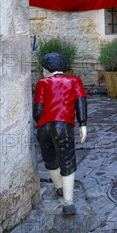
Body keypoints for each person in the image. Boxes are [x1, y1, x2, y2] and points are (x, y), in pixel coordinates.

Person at [33, 52, 87, 216]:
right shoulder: (74, 81)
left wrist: (40, 122)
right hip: (63, 126)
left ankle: (58, 188)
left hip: (44, 127)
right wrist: (82, 124)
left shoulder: (42, 83)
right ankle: (68, 202)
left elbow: (37, 109)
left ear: (48, 68)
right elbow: (81, 102)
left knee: (50, 159)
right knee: (67, 159)